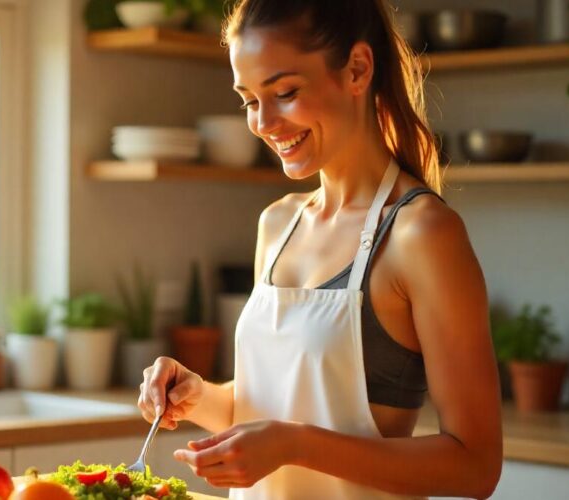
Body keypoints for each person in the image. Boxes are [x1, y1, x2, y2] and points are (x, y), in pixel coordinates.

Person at [137, 1, 503, 498]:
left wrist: (294, 445)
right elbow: (265, 414)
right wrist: (197, 396)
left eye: (284, 92)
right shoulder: (278, 223)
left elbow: (475, 466)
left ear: (357, 69)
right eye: (248, 100)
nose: (264, 122)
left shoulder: (422, 234)